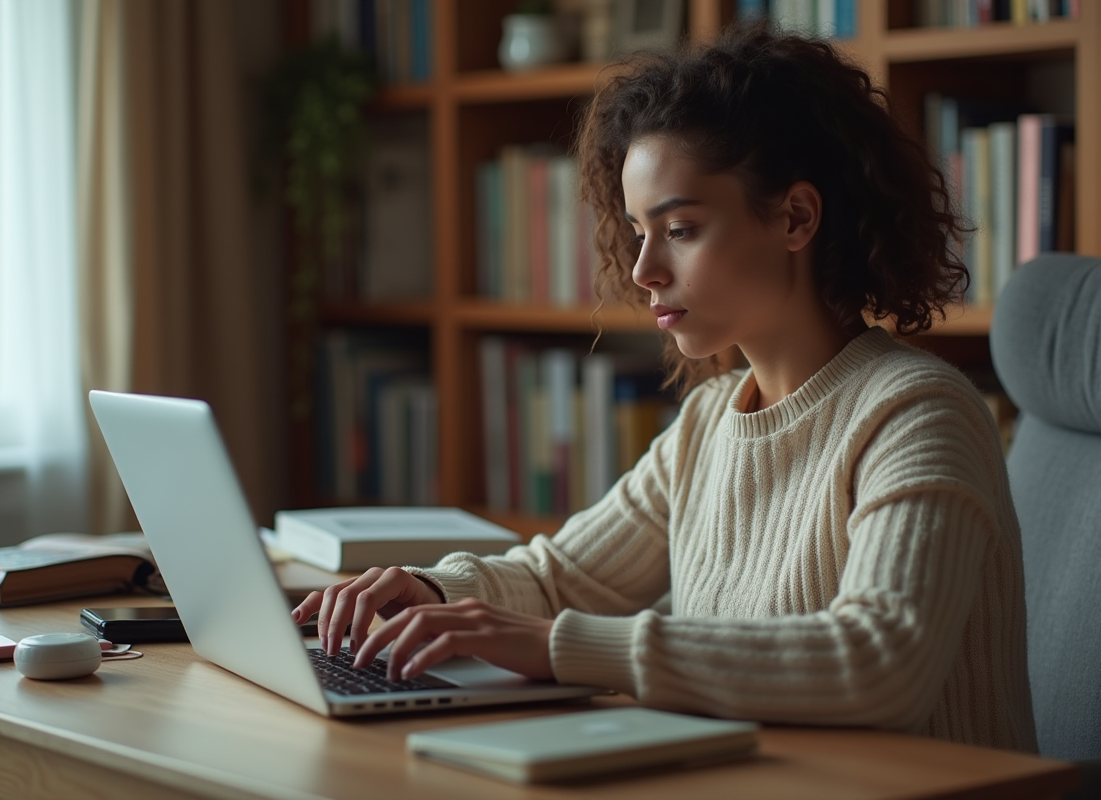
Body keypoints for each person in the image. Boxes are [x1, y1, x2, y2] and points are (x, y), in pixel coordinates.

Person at [292, 23, 1037, 753]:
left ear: (796, 217)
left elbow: (881, 662)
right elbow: (560, 580)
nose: (644, 269)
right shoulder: (710, 422)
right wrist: (431, 592)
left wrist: (560, 648)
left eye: (678, 229)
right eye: (637, 230)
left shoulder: (917, 413)